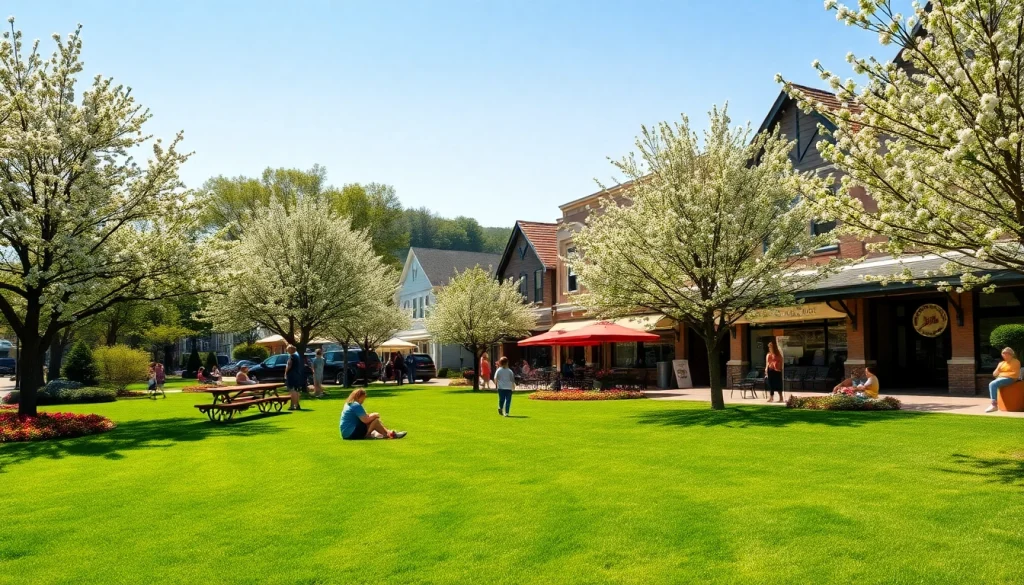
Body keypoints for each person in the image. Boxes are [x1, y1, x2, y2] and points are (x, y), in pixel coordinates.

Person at [340, 388, 406, 440]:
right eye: (363, 398)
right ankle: (388, 434)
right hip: (351, 433)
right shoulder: (356, 405)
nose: (363, 401)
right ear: (359, 397)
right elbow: (365, 420)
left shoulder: (349, 404)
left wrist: (372, 415)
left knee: (374, 423)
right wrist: (375, 415)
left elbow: (364, 416)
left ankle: (388, 433)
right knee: (376, 421)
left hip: (346, 433)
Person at [987, 347, 1020, 413]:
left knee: (992, 384)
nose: (1004, 355)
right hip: (1001, 378)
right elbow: (994, 374)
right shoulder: (1001, 363)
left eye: (1005, 353)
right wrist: (999, 369)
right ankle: (994, 404)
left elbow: (1014, 374)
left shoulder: (1016, 362)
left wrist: (1001, 374)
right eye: (1003, 353)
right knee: (992, 384)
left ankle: (994, 405)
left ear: (1010, 354)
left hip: (1011, 379)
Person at [284, 344, 305, 410]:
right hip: (297, 375)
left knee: (292, 390)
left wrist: (286, 372)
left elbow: (289, 365)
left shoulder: (292, 356)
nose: (287, 350)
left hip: (291, 375)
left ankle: (293, 405)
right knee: (296, 390)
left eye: (287, 349)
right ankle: (296, 404)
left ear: (290, 350)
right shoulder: (297, 356)